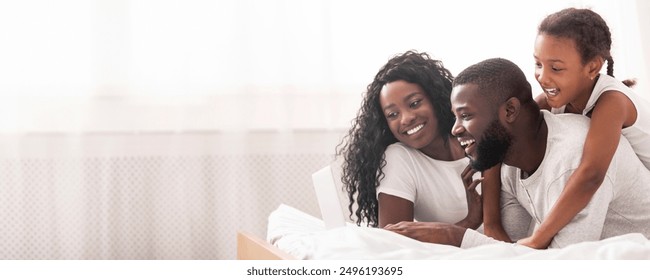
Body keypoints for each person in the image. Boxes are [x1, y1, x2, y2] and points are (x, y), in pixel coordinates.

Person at [385, 58, 650, 248]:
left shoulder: (573, 160)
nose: (455, 129)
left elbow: (560, 269)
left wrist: (455, 236)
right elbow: (510, 249)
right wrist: (470, 224)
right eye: (456, 117)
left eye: (465, 116)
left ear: (510, 111)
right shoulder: (511, 158)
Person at [484, 7, 650, 249]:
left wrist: (539, 238)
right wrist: (491, 222)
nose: (542, 77)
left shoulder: (612, 102)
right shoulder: (553, 100)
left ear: (593, 68)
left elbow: (591, 175)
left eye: (556, 68)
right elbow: (501, 136)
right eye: (538, 63)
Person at [336, 50, 491, 229]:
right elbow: (394, 240)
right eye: (393, 114)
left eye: (414, 103)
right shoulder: (399, 158)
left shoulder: (475, 136)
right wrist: (470, 221)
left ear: (436, 98)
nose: (406, 118)